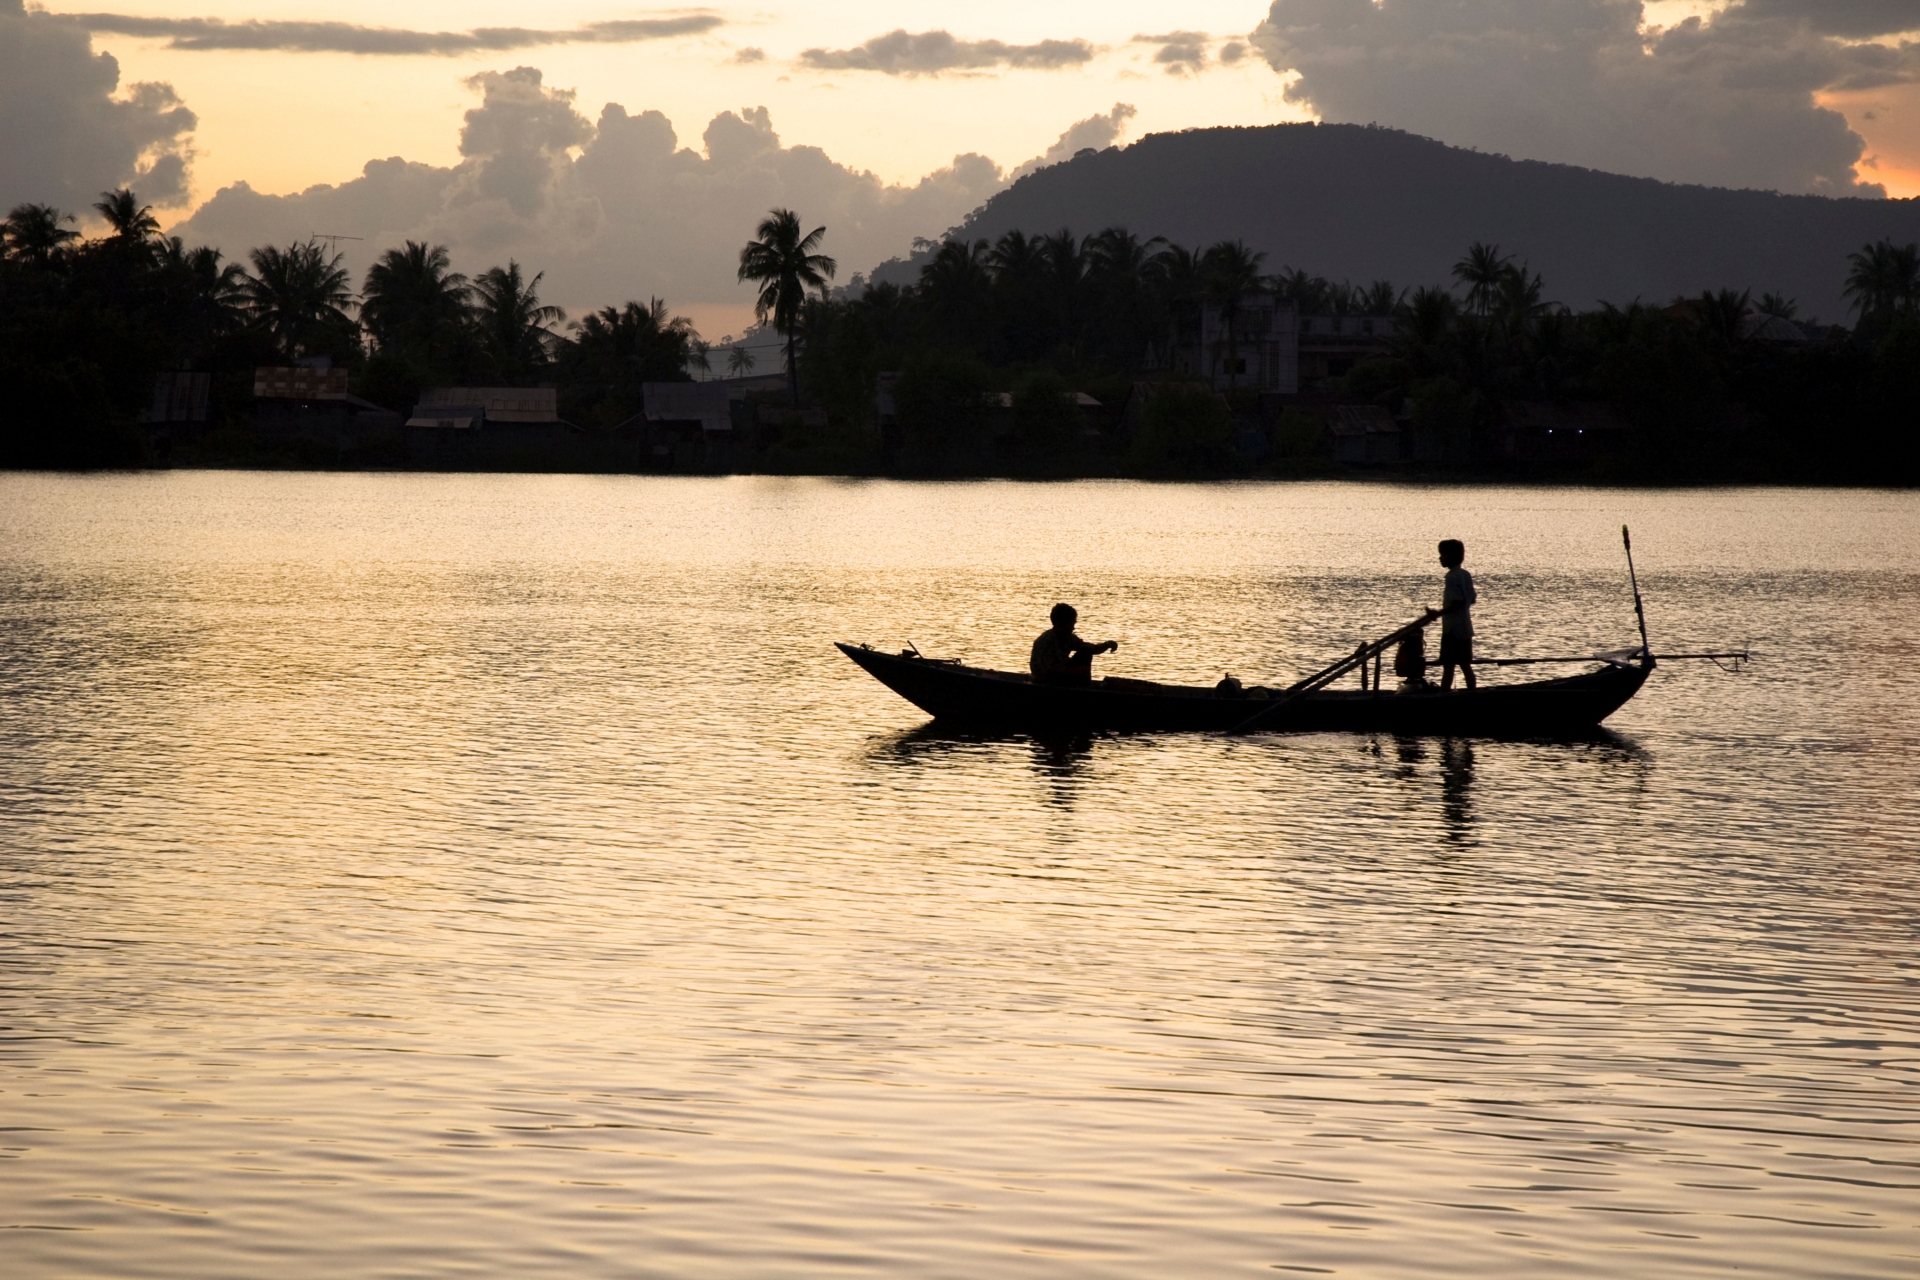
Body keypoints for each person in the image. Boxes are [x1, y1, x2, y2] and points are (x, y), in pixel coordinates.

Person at [1030, 603, 1118, 685]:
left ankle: (1085, 687)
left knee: (1086, 653)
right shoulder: (1045, 641)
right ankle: (1083, 689)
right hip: (1044, 680)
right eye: (1070, 624)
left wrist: (1107, 644)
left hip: (1060, 675)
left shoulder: (1068, 637)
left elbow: (1090, 648)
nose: (1073, 628)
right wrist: (1075, 671)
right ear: (1059, 623)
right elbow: (1048, 671)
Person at [1437, 538, 1477, 690]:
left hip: (1452, 630)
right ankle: (1472, 693)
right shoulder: (1465, 574)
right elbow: (1471, 599)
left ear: (1451, 557)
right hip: (1465, 628)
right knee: (1466, 665)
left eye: (1443, 555)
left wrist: (1438, 613)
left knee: (1448, 666)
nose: (1440, 558)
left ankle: (1444, 695)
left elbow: (1456, 603)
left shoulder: (1452, 577)